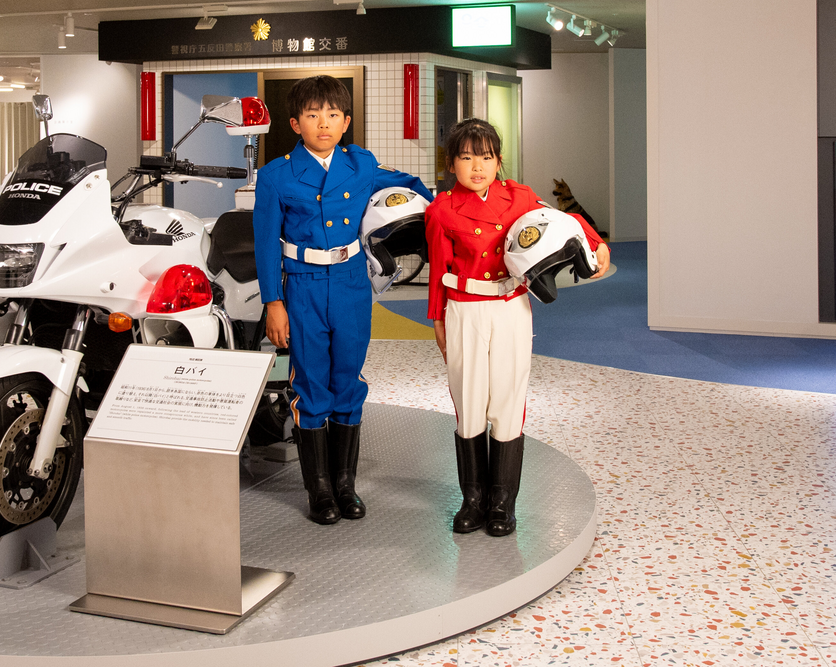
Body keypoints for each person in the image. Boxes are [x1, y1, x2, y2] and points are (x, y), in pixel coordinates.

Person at [254, 75, 434, 525]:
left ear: (346, 121)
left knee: (348, 379)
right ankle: (319, 490)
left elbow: (411, 185)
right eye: (313, 115)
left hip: (352, 283)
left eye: (333, 115)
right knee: (311, 383)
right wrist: (273, 303)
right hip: (303, 285)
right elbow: (265, 244)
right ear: (295, 123)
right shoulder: (276, 175)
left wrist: (433, 223)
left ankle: (345, 485)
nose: (324, 123)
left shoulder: (361, 164)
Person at [425, 118, 609, 536]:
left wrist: (597, 243)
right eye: (466, 157)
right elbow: (438, 270)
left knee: (508, 400)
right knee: (469, 400)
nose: (477, 167)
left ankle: (502, 504)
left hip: (510, 306)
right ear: (451, 163)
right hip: (465, 309)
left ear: (499, 160)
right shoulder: (441, 210)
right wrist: (437, 319)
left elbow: (563, 220)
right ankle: (473, 500)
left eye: (486, 157)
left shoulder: (518, 197)